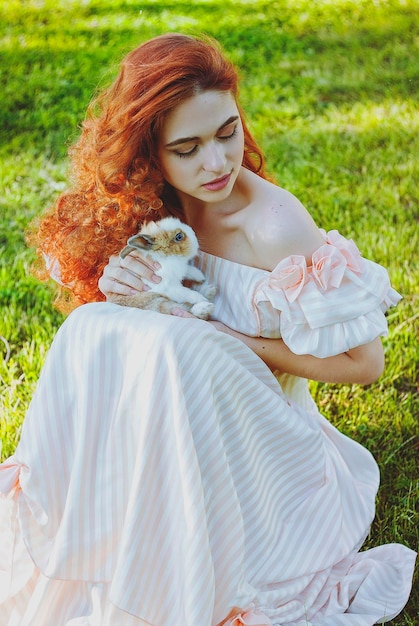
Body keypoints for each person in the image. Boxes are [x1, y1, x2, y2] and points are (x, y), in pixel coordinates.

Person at [0, 33, 415, 626]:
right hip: (183, 418)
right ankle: (79, 519)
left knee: (180, 346)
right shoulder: (154, 206)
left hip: (267, 446)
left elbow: (365, 364)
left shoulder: (272, 226)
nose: (217, 163)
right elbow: (139, 336)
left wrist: (222, 336)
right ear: (152, 155)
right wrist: (122, 292)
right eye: (188, 148)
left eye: (227, 133)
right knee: (92, 325)